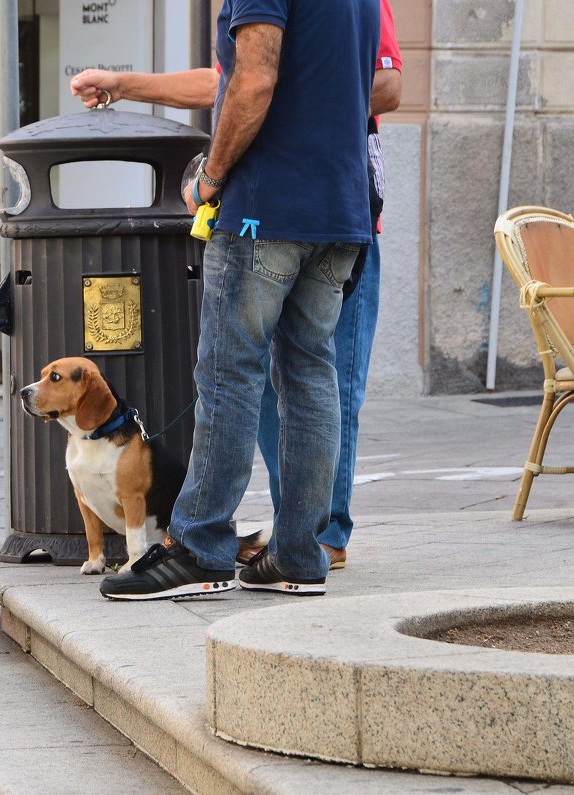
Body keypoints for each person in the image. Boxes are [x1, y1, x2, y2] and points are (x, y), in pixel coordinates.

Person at [71, 0, 402, 572]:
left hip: (265, 209)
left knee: (230, 374)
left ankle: (198, 548)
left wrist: (210, 177)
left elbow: (251, 80)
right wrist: (127, 82)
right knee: (310, 375)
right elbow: (246, 78)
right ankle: (301, 556)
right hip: (338, 210)